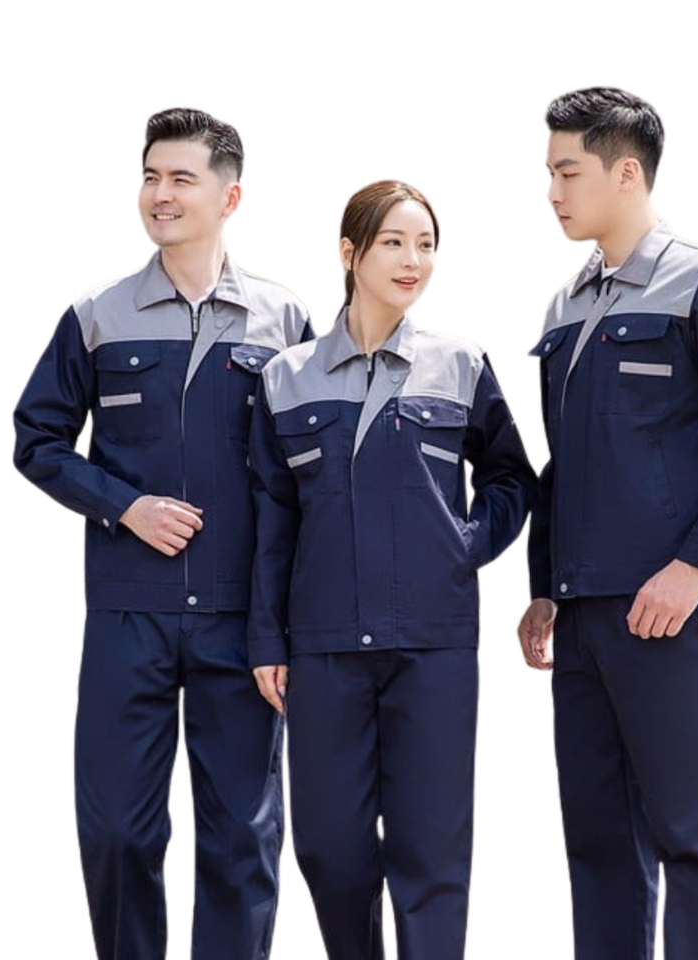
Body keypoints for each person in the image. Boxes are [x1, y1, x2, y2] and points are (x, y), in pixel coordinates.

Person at [13, 108, 311, 959]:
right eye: (150, 176)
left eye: (182, 178)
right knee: (116, 830)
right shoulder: (97, 315)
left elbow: (312, 473)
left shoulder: (283, 320)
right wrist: (123, 505)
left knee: (242, 839)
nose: (160, 194)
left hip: (242, 619)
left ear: (230, 197)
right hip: (128, 613)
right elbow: (37, 439)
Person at [517, 87, 698, 960]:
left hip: (670, 615)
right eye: (550, 172)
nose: (552, 191)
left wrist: (696, 566)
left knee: (694, 840)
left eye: (568, 172)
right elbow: (564, 462)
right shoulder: (565, 306)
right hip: (583, 615)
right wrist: (544, 586)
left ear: (626, 172)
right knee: (600, 849)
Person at [249, 180, 535, 960]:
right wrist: (267, 639)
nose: (414, 261)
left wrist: (464, 546)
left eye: (427, 245)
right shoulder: (287, 377)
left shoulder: (460, 364)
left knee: (430, 850)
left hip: (432, 644)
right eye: (394, 243)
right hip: (324, 644)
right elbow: (273, 517)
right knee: (327, 846)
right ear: (350, 253)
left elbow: (511, 478)